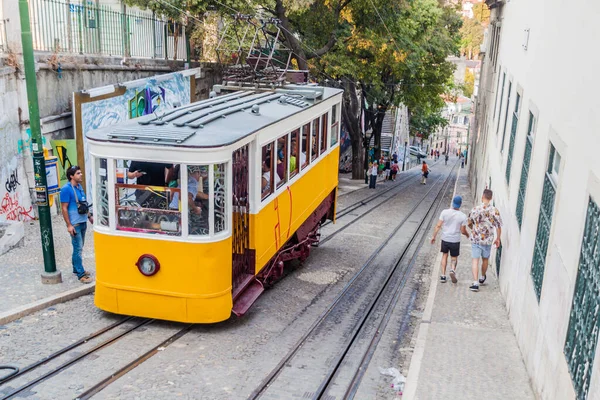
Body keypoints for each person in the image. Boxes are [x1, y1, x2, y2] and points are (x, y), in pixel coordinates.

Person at [464, 189, 503, 292]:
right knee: (485, 259)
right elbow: (498, 227)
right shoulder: (495, 211)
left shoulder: (475, 209)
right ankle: (482, 276)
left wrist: (473, 228)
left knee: (475, 260)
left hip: (476, 239)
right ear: (491, 198)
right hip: (488, 240)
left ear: (482, 197)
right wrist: (498, 238)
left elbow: (469, 222)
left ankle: (475, 283)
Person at [60, 166, 93, 284]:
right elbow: (64, 208)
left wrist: (89, 216)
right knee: (78, 248)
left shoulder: (79, 187)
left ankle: (76, 268)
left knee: (79, 247)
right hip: (75, 223)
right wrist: (69, 225)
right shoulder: (66, 189)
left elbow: (84, 203)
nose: (81, 175)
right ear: (71, 176)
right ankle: (80, 274)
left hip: (83, 221)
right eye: (78, 173)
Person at [430, 195, 469, 283]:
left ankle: (443, 276)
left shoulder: (444, 212)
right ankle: (452, 270)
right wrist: (467, 234)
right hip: (455, 240)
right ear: (460, 204)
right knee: (454, 257)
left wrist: (434, 236)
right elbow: (463, 230)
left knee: (444, 255)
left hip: (445, 238)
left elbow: (438, 225)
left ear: (452, 203)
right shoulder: (463, 216)